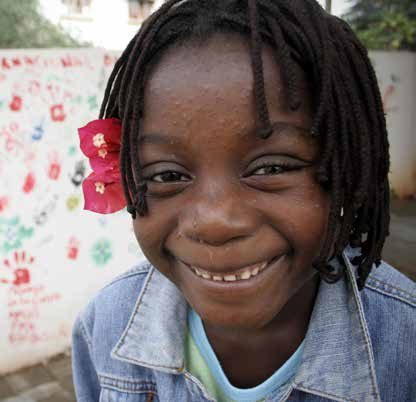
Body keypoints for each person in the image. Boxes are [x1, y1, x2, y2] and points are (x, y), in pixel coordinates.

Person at [71, 1, 416, 401]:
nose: (215, 222)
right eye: (167, 175)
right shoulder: (104, 323)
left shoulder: (404, 342)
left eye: (271, 168)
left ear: (348, 167)